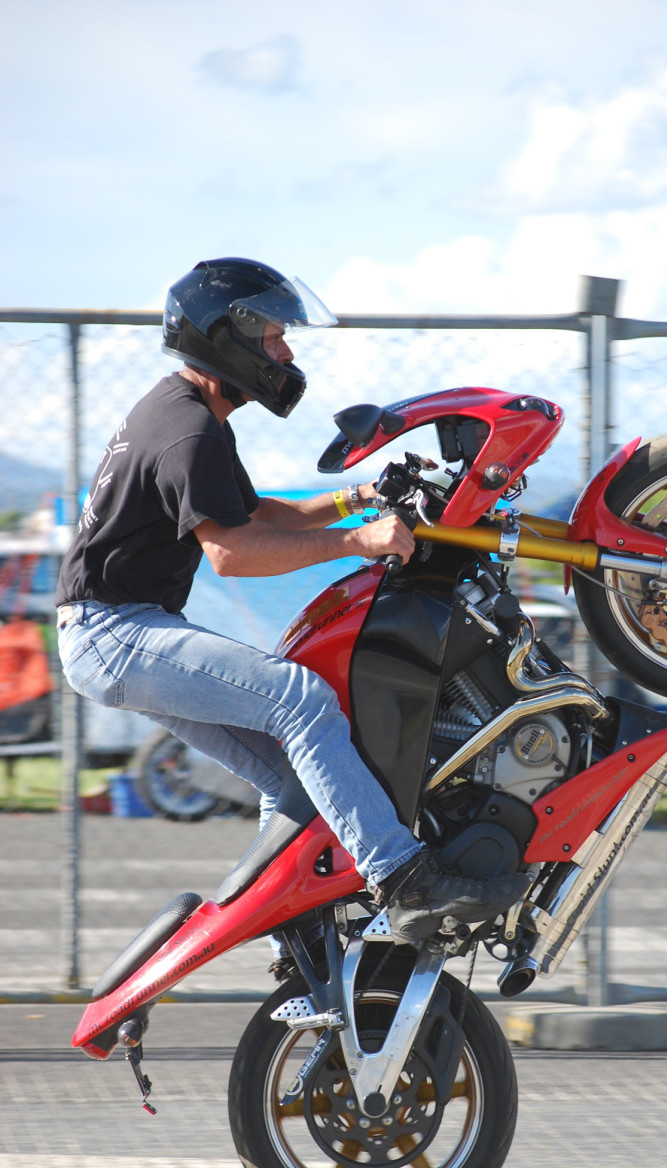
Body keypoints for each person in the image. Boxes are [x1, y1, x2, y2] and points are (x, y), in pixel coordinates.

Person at [55, 257, 527, 944]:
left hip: (119, 632)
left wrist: (359, 497)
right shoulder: (187, 428)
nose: (287, 352)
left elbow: (257, 514)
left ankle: (293, 933)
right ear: (228, 336)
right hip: (115, 633)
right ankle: (406, 878)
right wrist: (360, 543)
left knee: (293, 771)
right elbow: (232, 553)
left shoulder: (191, 415)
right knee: (299, 700)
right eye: (274, 337)